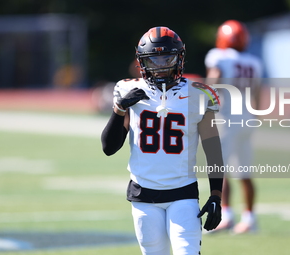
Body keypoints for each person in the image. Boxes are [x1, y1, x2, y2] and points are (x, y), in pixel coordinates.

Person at [101, 26, 224, 255]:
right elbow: (109, 148)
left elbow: (213, 149)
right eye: (153, 60)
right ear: (141, 62)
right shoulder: (129, 90)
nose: (160, 66)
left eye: (166, 58)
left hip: (183, 193)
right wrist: (119, 109)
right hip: (143, 196)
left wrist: (216, 194)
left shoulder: (200, 93)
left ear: (179, 58)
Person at [204, 20, 263, 234]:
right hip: (246, 119)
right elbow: (257, 93)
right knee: (244, 171)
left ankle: (224, 216)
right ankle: (249, 218)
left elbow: (213, 83)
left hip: (227, 120)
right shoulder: (253, 62)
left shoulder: (219, 58)